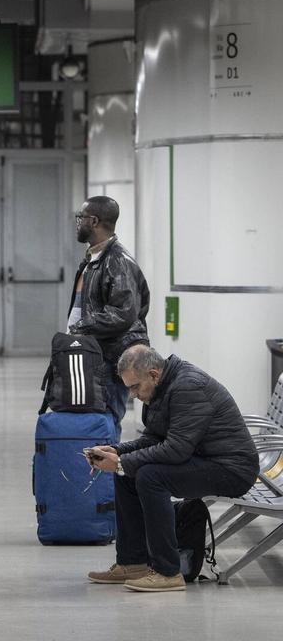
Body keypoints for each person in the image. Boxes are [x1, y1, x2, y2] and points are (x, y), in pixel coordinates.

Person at [85, 345, 258, 592]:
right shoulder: (160, 388)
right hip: (206, 459)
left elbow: (176, 449)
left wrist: (123, 462)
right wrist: (118, 452)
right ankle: (133, 562)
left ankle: (168, 571)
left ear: (154, 374)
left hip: (232, 469)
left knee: (149, 477)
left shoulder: (188, 387)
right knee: (128, 475)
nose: (133, 395)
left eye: (135, 387)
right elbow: (155, 438)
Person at [67, 196, 150, 425]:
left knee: (106, 421)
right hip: (97, 356)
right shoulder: (94, 258)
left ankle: (108, 461)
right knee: (96, 420)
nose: (77, 223)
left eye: (80, 218)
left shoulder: (117, 261)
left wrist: (79, 328)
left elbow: (123, 313)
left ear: (93, 221)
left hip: (112, 360)